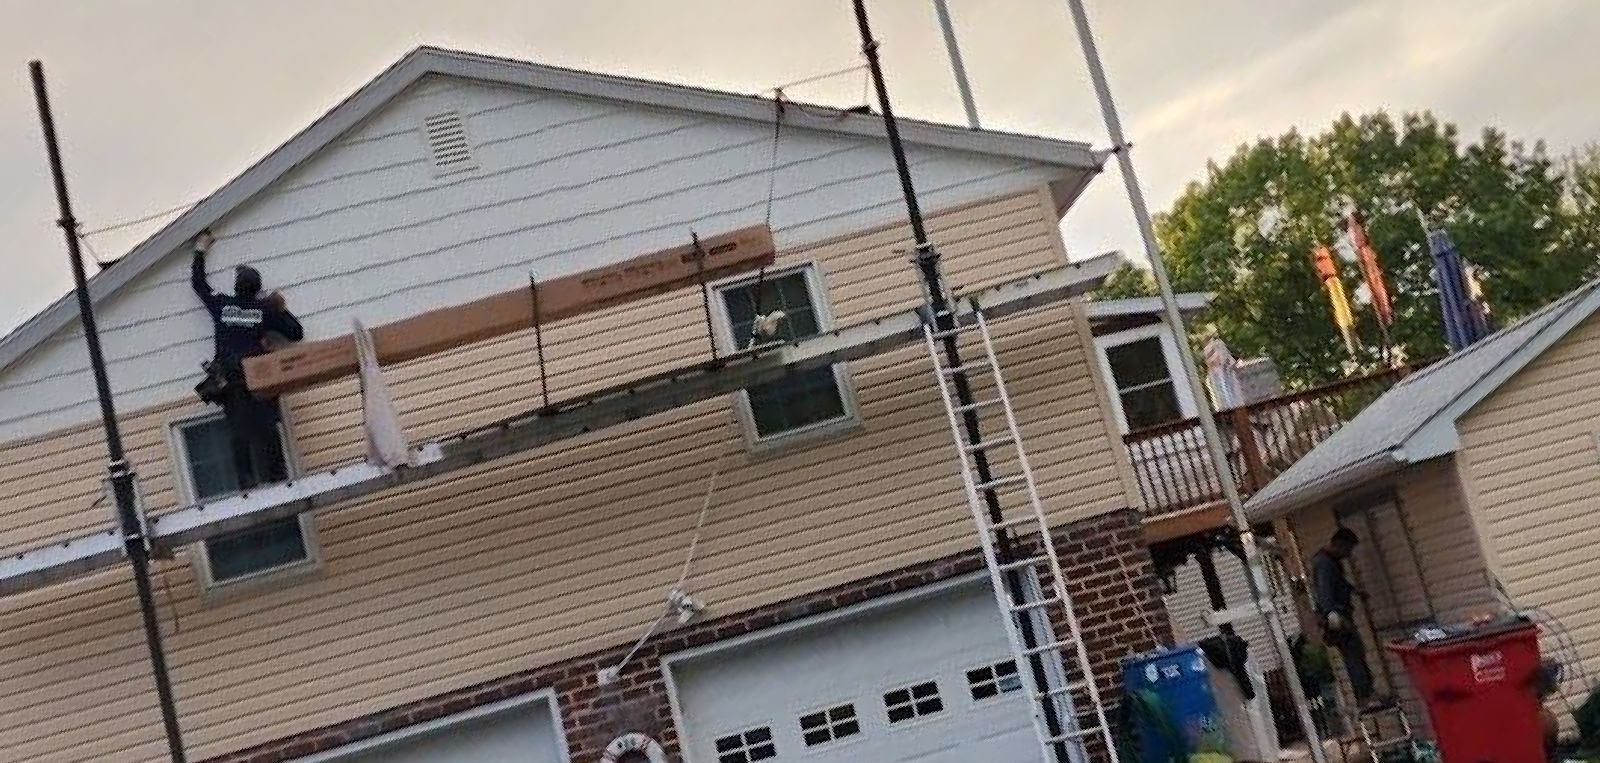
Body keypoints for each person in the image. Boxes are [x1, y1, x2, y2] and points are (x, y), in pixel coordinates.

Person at [191, 230, 304, 490]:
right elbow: (296, 333)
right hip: (258, 377)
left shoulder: (222, 305)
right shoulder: (263, 310)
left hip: (230, 380)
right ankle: (278, 480)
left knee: (238, 432)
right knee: (267, 428)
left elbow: (199, 284)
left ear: (236, 287)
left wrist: (200, 250)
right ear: (256, 289)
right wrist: (279, 307)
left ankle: (246, 483)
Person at [1311, 526, 1384, 709]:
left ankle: (1368, 692)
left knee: (1357, 653)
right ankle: (1365, 696)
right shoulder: (1325, 563)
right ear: (1339, 545)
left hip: (1340, 614)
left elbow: (1339, 583)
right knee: (1353, 655)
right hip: (1337, 617)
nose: (1348, 554)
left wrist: (1353, 590)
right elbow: (1324, 589)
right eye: (1348, 549)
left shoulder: (1333, 562)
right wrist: (1331, 613)